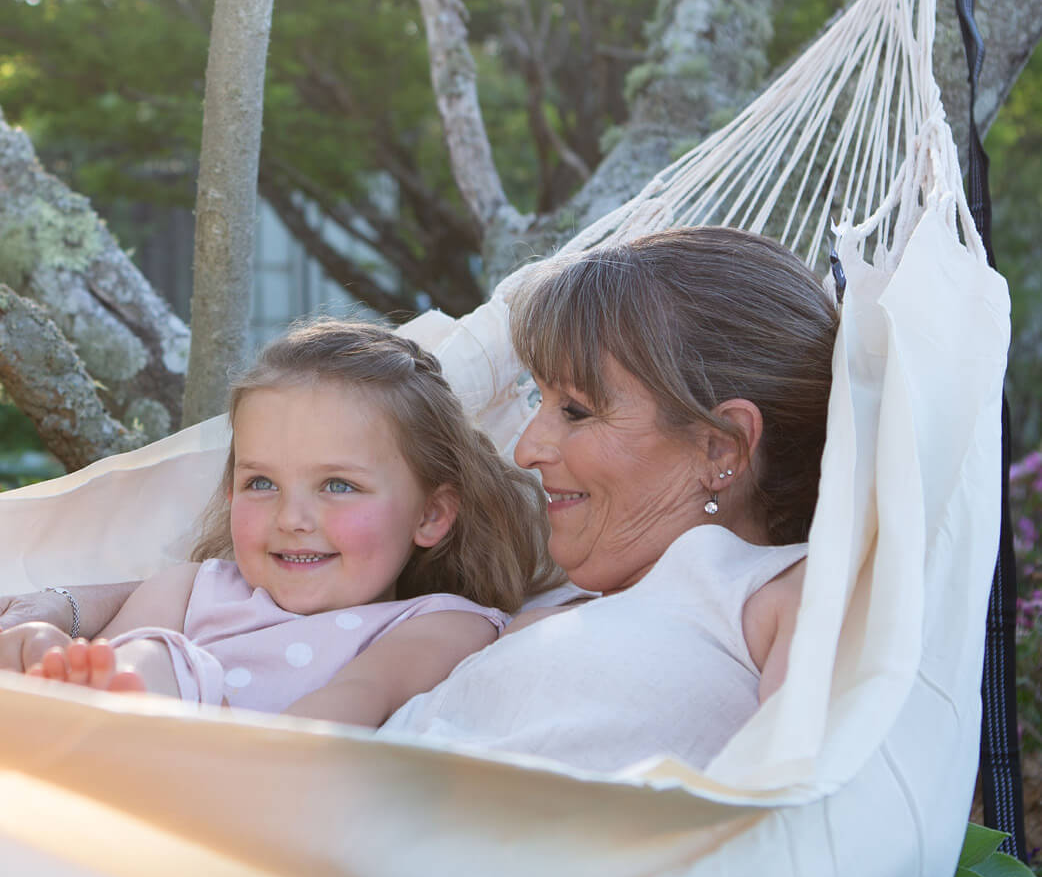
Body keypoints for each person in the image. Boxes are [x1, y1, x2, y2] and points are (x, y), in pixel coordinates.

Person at [0, 227, 838, 770]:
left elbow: (805, 821)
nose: (525, 448)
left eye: (576, 410)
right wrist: (69, 610)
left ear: (719, 448)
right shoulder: (550, 595)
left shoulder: (772, 595)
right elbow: (244, 602)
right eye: (539, 403)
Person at [0, 320, 556, 726]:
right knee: (137, 654)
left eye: (339, 485)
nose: (291, 519)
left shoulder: (440, 622)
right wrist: (43, 656)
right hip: (92, 786)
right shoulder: (190, 590)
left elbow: (359, 699)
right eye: (261, 483)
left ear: (431, 514)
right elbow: (105, 662)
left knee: (161, 657)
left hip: (245, 789)